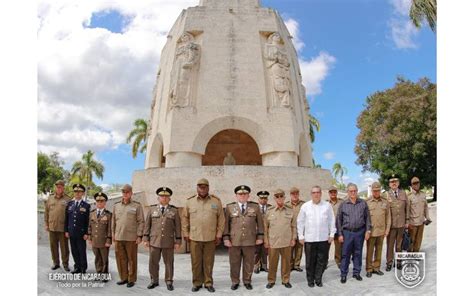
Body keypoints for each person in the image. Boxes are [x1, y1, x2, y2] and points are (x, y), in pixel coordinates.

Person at [182, 178, 225, 293]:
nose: (202, 188)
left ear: (208, 188)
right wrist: (186, 233)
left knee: (209, 262)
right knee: (196, 262)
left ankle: (208, 283)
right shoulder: (189, 201)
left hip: (210, 237)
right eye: (200, 186)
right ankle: (197, 283)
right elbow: (185, 219)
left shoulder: (216, 202)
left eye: (204, 186)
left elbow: (221, 219)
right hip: (194, 237)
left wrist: (219, 235)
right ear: (197, 188)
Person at [223, 185, 264, 290]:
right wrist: (226, 238)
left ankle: (247, 281)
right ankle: (235, 281)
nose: (242, 196)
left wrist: (260, 237)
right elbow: (226, 224)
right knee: (234, 263)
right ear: (236, 195)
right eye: (240, 194)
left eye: (245, 194)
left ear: (248, 195)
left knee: (249, 263)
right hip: (234, 241)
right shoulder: (229, 207)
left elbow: (260, 223)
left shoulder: (255, 207)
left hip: (250, 240)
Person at [143, 187, 181, 291]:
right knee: (153, 262)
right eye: (162, 196)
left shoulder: (174, 210)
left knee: (169, 262)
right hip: (154, 241)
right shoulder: (152, 210)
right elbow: (147, 225)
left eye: (166, 196)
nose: (164, 198)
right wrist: (145, 239)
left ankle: (169, 281)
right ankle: (154, 281)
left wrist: (178, 241)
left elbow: (178, 227)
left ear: (169, 199)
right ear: (158, 198)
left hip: (168, 242)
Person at [297, 185, 336, 288]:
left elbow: (332, 221)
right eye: (314, 192)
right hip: (310, 239)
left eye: (318, 192)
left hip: (323, 239)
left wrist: (332, 234)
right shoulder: (305, 206)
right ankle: (310, 280)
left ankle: (318, 279)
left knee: (321, 261)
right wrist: (301, 235)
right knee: (310, 262)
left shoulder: (327, 206)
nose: (316, 194)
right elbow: (300, 222)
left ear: (321, 194)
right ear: (311, 194)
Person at [336, 183, 371, 284]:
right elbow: (338, 220)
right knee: (345, 254)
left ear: (357, 191)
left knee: (358, 253)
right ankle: (343, 274)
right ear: (348, 192)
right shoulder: (343, 204)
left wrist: (368, 230)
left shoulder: (363, 203)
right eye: (351, 191)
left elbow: (367, 218)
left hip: (360, 232)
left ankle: (356, 272)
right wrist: (340, 234)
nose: (353, 193)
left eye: (354, 191)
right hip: (347, 233)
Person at [112, 184, 145, 288]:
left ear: (131, 193)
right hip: (118, 237)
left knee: (132, 259)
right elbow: (113, 222)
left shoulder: (137, 206)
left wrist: (139, 235)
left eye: (127, 192)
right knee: (121, 259)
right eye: (123, 192)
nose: (125, 194)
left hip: (131, 238)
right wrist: (113, 234)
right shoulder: (116, 205)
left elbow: (141, 221)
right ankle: (123, 278)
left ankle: (131, 279)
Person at [264, 189, 297, 289]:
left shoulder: (290, 210)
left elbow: (293, 226)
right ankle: (271, 280)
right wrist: (266, 240)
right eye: (277, 196)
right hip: (273, 242)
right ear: (274, 198)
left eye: (281, 196)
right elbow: (266, 228)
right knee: (272, 263)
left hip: (286, 241)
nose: (279, 198)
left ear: (284, 197)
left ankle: (285, 280)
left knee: (286, 263)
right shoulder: (269, 211)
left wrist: (293, 238)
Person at [44, 180, 71, 271]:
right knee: (53, 247)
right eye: (57, 186)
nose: (59, 188)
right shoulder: (50, 198)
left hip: (63, 228)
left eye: (61, 186)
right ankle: (56, 263)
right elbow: (46, 212)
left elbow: (70, 215)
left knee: (64, 248)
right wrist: (46, 224)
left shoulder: (68, 199)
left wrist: (68, 229)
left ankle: (65, 264)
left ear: (63, 187)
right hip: (52, 227)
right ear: (55, 187)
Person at [365, 182, 390, 278]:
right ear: (372, 191)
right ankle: (369, 269)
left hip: (381, 231)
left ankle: (376, 268)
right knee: (370, 251)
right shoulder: (367, 202)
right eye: (374, 191)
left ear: (380, 190)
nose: (376, 192)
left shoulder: (385, 201)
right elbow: (364, 218)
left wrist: (387, 230)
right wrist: (366, 231)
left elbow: (388, 217)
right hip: (371, 232)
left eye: (378, 191)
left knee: (379, 251)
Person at [385, 174, 409, 271]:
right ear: (389, 184)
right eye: (392, 182)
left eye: (395, 181)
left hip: (401, 224)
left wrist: (407, 221)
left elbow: (407, 207)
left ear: (398, 183)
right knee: (390, 245)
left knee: (399, 245)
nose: (394, 183)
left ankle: (398, 262)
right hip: (391, 225)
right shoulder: (386, 195)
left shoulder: (403, 193)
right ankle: (389, 262)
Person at [65, 184, 90, 274]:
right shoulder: (70, 204)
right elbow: (66, 219)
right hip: (71, 232)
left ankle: (83, 268)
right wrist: (66, 230)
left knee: (81, 250)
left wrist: (86, 233)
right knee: (74, 250)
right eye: (75, 191)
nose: (77, 193)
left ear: (82, 193)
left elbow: (87, 220)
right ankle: (77, 267)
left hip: (81, 233)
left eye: (79, 192)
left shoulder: (86, 205)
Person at [88, 192, 112, 282]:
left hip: (104, 240)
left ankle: (105, 275)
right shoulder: (92, 213)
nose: (99, 203)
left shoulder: (108, 214)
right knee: (97, 258)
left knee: (104, 259)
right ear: (95, 202)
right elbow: (89, 226)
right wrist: (90, 238)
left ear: (105, 202)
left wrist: (108, 240)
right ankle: (98, 273)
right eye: (98, 201)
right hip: (95, 240)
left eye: (102, 201)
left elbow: (110, 228)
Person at [407, 177, 432, 252]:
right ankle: (410, 254)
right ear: (411, 185)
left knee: (419, 240)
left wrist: (427, 217)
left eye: (417, 183)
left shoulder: (423, 194)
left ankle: (416, 253)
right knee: (411, 240)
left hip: (421, 222)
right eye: (414, 184)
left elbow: (426, 207)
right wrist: (407, 223)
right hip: (413, 223)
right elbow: (407, 211)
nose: (416, 185)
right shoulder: (409, 196)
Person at [285, 187, 305, 272]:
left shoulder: (303, 204)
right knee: (289, 249)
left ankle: (296, 265)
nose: (295, 195)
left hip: (301, 230)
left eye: (296, 193)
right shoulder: (286, 205)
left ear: (298, 194)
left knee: (299, 249)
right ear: (290, 195)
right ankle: (290, 265)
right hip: (290, 230)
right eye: (293, 194)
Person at [254, 190, 271, 273]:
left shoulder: (270, 208)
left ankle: (264, 266)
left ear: (267, 199)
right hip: (257, 233)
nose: (263, 200)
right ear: (258, 199)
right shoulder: (254, 208)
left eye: (265, 198)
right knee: (257, 250)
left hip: (267, 233)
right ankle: (256, 266)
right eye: (261, 198)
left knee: (265, 250)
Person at [327, 185, 344, 269]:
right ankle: (324, 262)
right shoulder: (325, 203)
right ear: (329, 193)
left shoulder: (342, 202)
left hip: (338, 228)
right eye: (331, 192)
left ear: (336, 193)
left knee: (338, 247)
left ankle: (338, 261)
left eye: (334, 192)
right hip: (328, 229)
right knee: (326, 247)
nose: (333, 193)